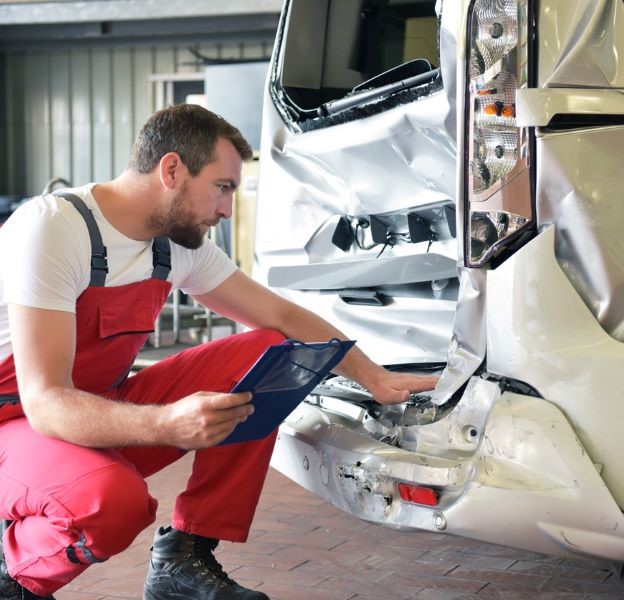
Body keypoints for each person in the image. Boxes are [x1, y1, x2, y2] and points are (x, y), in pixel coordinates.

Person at [0, 104, 438, 600]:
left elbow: (284, 319)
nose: (228, 208)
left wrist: (373, 376)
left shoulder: (176, 244)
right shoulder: (55, 227)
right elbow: (44, 401)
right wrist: (167, 424)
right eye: (223, 187)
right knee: (112, 503)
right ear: (171, 170)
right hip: (18, 421)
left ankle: (184, 559)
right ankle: (15, 577)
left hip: (98, 405)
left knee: (274, 353)